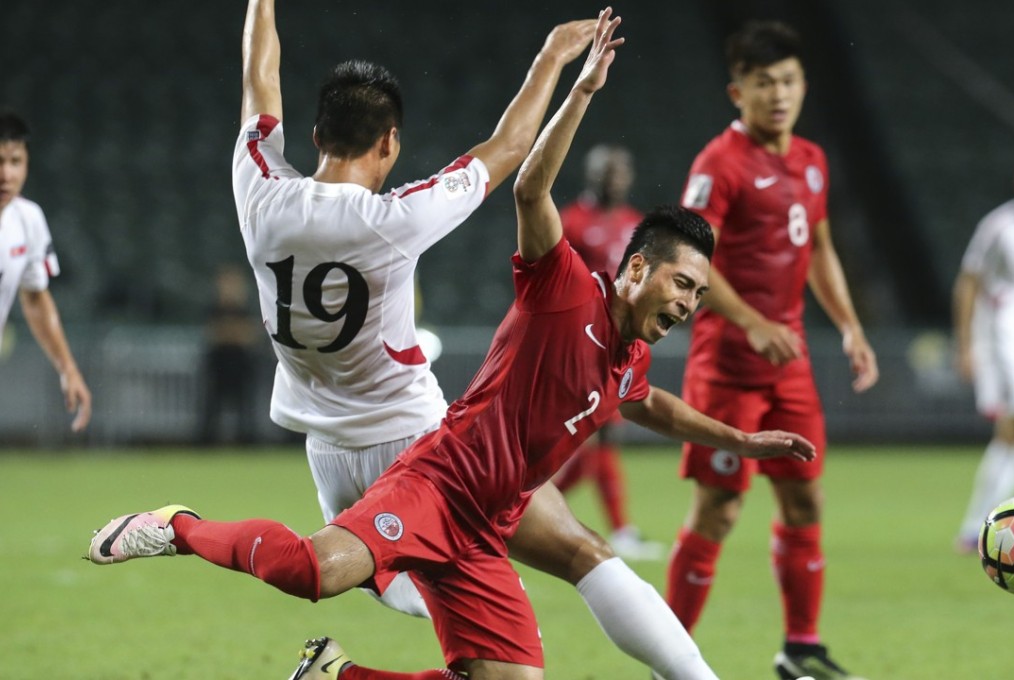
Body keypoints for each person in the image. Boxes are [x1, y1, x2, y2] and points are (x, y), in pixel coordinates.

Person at [89, 10, 817, 679]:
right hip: (419, 449)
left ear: (314, 137)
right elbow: (510, 155)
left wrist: (261, 7)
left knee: (515, 644)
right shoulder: (394, 219)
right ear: (390, 143)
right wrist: (552, 60)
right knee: (358, 572)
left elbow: (259, 82)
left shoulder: (258, 191)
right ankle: (177, 528)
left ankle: (339, 674)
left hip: (329, 451)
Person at [667, 20, 878, 680]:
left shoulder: (811, 159)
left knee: (804, 500)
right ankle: (667, 658)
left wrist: (849, 325)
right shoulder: (718, 165)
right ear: (738, 92)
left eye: (788, 81)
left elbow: (819, 249)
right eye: (764, 84)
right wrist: (752, 320)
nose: (778, 95)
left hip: (789, 368)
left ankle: (801, 648)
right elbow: (689, 258)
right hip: (728, 366)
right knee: (720, 508)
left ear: (804, 85)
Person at [555, 143, 663, 560]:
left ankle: (531, 507)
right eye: (605, 173)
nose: (612, 180)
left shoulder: (636, 224)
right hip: (582, 340)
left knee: (599, 435)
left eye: (618, 173)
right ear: (591, 176)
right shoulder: (572, 221)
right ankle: (621, 529)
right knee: (599, 433)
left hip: (622, 344)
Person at [0, 110, 91, 433]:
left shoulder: (28, 220)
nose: (6, 174)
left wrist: (68, 368)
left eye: (15, 161)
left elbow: (36, 298)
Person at [953, 170, 1014, 553]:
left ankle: (977, 527)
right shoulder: (999, 225)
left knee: (1012, 436)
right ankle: (978, 527)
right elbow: (969, 282)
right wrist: (965, 344)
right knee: (1012, 430)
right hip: (1007, 340)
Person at [198, 263, 261, 445]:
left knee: (245, 409)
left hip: (241, 363)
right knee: (211, 408)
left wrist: (230, 333)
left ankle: (247, 442)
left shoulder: (246, 309)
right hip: (219, 363)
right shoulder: (213, 307)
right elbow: (212, 333)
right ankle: (206, 444)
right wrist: (234, 333)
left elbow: (251, 336)